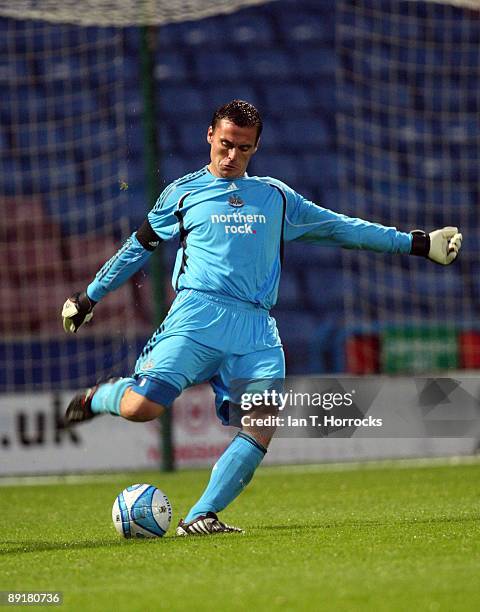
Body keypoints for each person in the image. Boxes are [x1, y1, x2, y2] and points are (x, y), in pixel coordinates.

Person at [62, 99, 462, 536]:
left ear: (256, 148)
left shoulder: (275, 197)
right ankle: (101, 397)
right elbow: (138, 248)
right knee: (142, 408)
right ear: (210, 136)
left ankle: (201, 516)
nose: (232, 156)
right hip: (197, 315)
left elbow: (341, 228)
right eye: (227, 144)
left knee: (263, 423)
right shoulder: (181, 194)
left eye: (244, 149)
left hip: (256, 328)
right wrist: (89, 296)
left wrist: (415, 243)